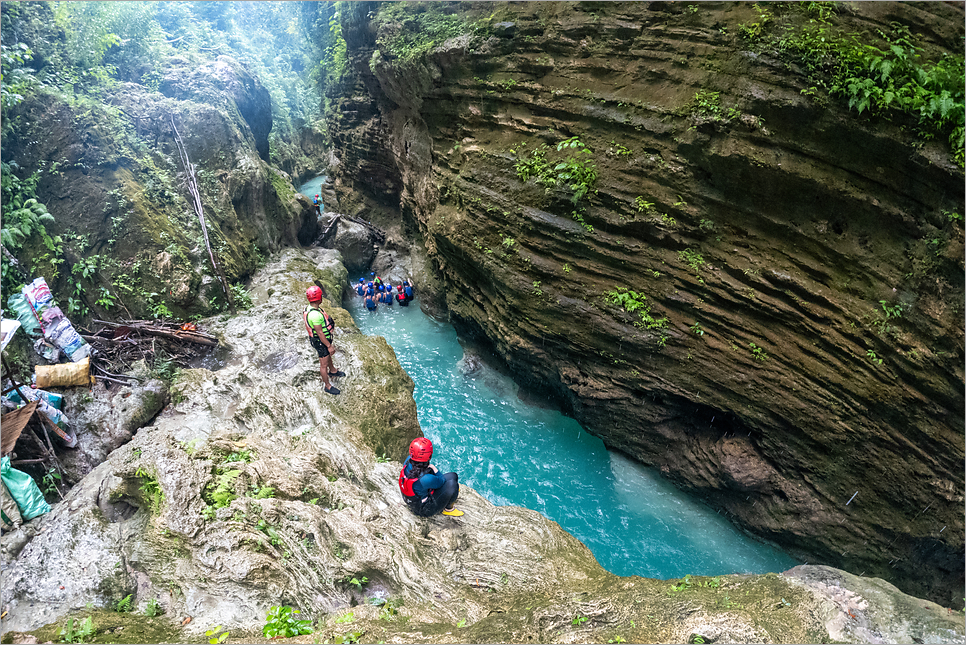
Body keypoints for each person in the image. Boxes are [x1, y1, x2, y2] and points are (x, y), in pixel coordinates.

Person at [398, 438, 462, 517]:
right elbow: (441, 481)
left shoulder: (408, 461)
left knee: (453, 475)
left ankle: (453, 493)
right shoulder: (426, 478)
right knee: (452, 485)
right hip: (423, 509)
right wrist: (434, 469)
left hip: (413, 499)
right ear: (429, 455)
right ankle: (448, 509)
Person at [303, 286, 344, 395]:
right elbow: (320, 333)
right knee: (323, 364)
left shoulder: (311, 309)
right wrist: (329, 346)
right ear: (318, 299)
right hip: (321, 342)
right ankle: (327, 386)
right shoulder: (315, 315)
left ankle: (333, 371)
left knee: (327, 356)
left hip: (322, 340)